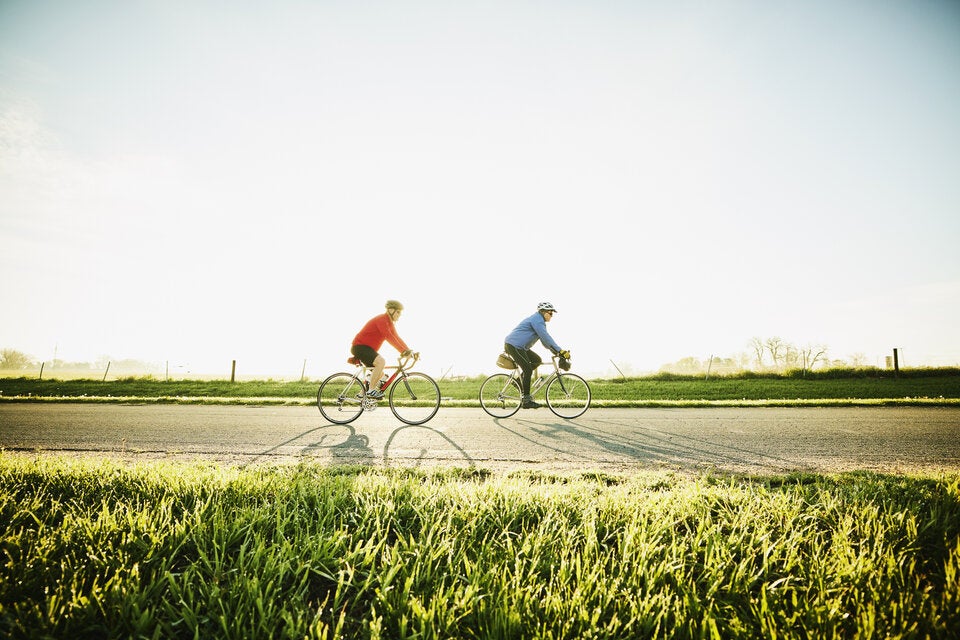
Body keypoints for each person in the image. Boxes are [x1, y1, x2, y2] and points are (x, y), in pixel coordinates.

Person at [504, 302, 570, 409]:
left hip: (520, 347)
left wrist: (557, 352)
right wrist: (560, 350)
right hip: (514, 345)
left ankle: (517, 382)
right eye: (551, 313)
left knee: (537, 360)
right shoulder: (537, 320)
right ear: (543, 312)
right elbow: (546, 337)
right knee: (528, 369)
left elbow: (545, 342)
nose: (551, 316)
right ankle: (526, 401)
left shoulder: (539, 321)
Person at [351, 300, 414, 399]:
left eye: (400, 313)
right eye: (398, 312)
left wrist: (408, 350)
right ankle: (371, 391)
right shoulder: (382, 320)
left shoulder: (389, 323)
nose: (400, 315)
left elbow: (396, 337)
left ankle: (361, 395)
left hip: (366, 349)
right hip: (360, 347)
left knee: (380, 374)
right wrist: (402, 351)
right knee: (381, 362)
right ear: (391, 310)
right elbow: (388, 336)